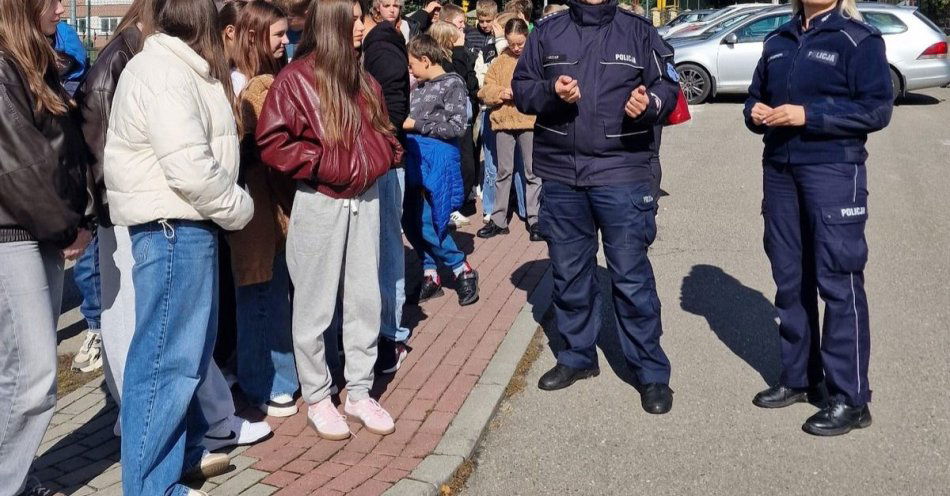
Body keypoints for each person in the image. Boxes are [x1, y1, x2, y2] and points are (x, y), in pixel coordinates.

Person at [76, 0, 271, 458]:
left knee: (176, 359)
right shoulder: (161, 70)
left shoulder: (171, 65)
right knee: (162, 363)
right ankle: (153, 476)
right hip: (169, 225)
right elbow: (188, 166)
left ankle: (177, 456)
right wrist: (239, 207)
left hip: (179, 222)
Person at [512, 0, 679, 414]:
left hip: (622, 172)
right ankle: (577, 356)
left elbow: (668, 85)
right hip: (562, 175)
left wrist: (650, 103)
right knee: (569, 273)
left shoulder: (638, 31)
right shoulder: (547, 32)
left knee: (631, 277)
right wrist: (551, 92)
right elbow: (522, 87)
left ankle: (650, 372)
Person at [744, 0, 892, 436]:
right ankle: (801, 377)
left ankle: (851, 398)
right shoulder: (777, 40)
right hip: (780, 170)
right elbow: (755, 96)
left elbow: (877, 109)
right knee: (790, 279)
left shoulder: (857, 39)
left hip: (833, 170)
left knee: (839, 281)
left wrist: (809, 115)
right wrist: (754, 112)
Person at [256, 0, 402, 440]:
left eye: (360, 18)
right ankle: (318, 395)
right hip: (320, 202)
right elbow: (273, 141)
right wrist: (325, 164)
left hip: (366, 200)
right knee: (314, 304)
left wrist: (384, 153)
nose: (361, 26)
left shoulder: (363, 79)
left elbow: (385, 130)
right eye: (353, 18)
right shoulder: (295, 80)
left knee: (364, 300)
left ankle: (358, 391)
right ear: (332, 23)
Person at [0, 0, 91, 493]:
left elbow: (63, 150)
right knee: (33, 378)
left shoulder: (33, 60)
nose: (61, 9)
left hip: (37, 230)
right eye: (52, 1)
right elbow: (20, 166)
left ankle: (15, 476)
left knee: (16, 375)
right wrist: (66, 227)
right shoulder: (4, 67)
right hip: (15, 233)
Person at [225, 0, 302, 418]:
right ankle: (267, 381)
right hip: (252, 203)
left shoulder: (265, 77)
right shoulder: (240, 83)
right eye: (278, 34)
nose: (285, 41)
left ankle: (267, 373)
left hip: (270, 201)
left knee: (270, 289)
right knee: (259, 290)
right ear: (252, 36)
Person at [402, 34, 480, 307]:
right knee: (410, 221)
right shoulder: (419, 86)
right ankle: (430, 272)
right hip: (415, 160)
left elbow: (457, 126)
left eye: (412, 64)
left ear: (425, 59)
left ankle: (461, 270)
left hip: (437, 162)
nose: (410, 70)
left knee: (429, 221)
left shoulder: (452, 84)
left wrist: (416, 125)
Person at [361, 0, 413, 373]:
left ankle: (391, 335)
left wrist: (375, 136)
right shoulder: (376, 44)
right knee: (376, 248)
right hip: (374, 160)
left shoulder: (380, 46)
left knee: (385, 247)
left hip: (384, 161)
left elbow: (395, 107)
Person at [476, 17, 541, 242]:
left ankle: (535, 218)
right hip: (503, 122)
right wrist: (500, 93)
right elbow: (484, 90)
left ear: (527, 38)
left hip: (528, 121)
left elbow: (542, 87)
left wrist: (521, 92)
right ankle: (499, 219)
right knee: (503, 172)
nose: (516, 48)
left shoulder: (535, 59)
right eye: (512, 43)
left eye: (520, 43)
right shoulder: (499, 61)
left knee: (532, 172)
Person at [53, 20, 87, 95]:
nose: (57, 64)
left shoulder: (80, 86)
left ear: (73, 59)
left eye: (62, 60)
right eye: (52, 58)